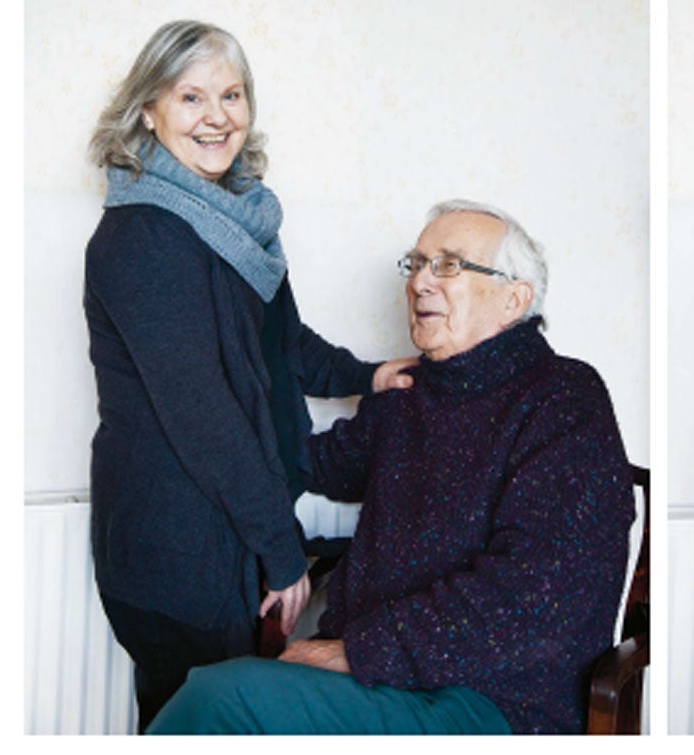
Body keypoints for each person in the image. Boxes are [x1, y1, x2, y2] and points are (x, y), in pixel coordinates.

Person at [148, 200, 637, 734]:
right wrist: (205, 413)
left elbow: (534, 595)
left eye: (449, 265)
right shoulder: (412, 393)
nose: (421, 282)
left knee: (223, 699)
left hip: (494, 697)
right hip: (384, 680)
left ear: (513, 299)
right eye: (417, 263)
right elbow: (309, 462)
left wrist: (359, 651)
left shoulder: (564, 399)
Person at [84, 20, 413, 729]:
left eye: (231, 95)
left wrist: (371, 373)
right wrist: (283, 554)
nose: (217, 118)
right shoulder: (144, 236)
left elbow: (283, 342)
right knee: (196, 719)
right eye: (191, 98)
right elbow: (203, 414)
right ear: (149, 110)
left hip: (225, 527)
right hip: (174, 538)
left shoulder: (239, 223)